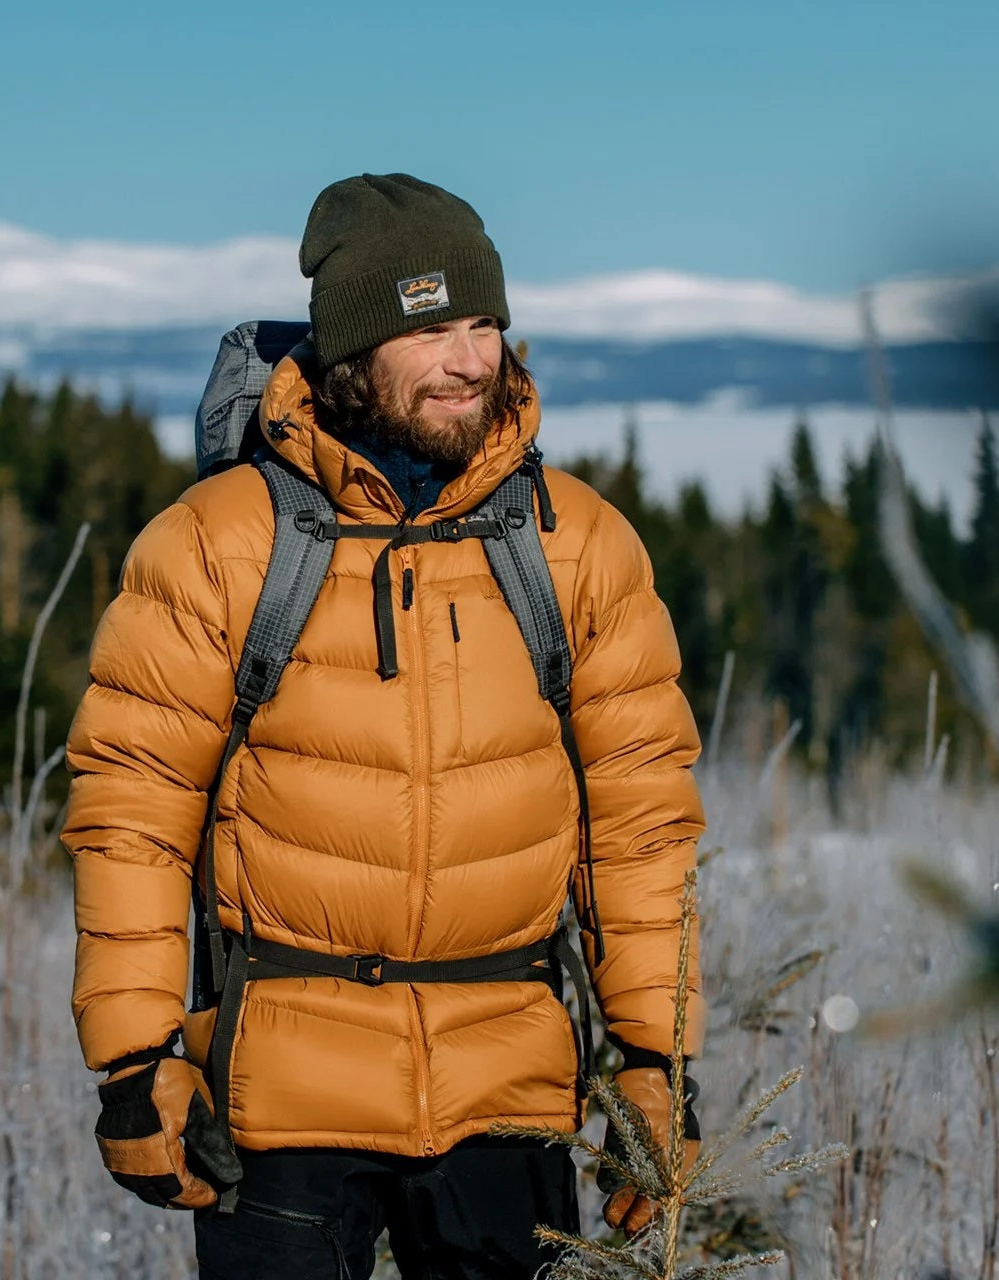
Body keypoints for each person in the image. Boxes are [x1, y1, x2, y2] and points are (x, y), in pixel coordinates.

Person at [63, 173, 705, 1279]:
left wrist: (656, 1062)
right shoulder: (217, 542)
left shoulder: (579, 546)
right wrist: (134, 1058)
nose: (468, 359)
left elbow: (641, 823)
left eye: (482, 324)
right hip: (277, 1102)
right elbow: (131, 810)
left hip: (509, 1091)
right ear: (352, 347)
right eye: (429, 329)